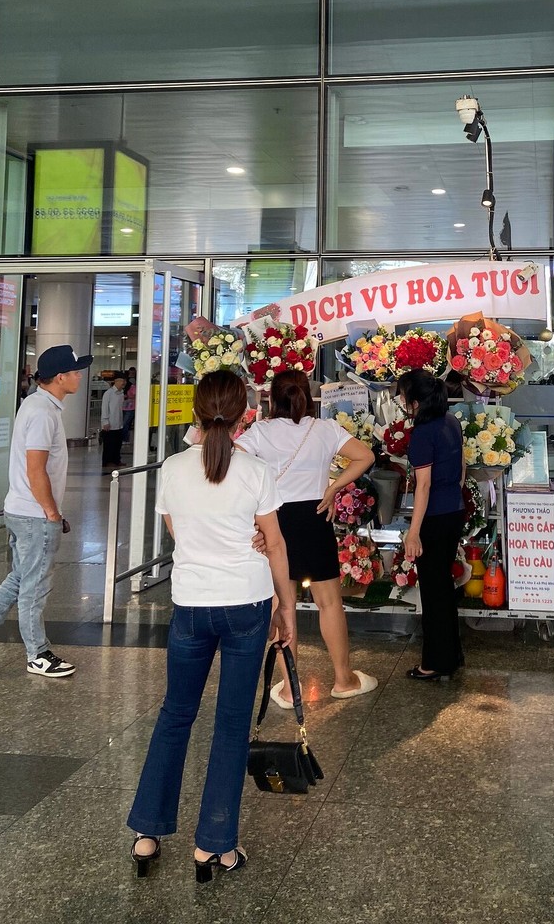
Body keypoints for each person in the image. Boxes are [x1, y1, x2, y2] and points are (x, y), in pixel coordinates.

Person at [127, 369, 295, 882]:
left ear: (196, 412)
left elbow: (178, 531)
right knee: (230, 724)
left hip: (191, 605)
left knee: (175, 714)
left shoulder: (173, 468)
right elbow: (275, 543)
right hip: (246, 604)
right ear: (245, 414)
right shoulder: (256, 470)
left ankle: (147, 833)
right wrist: (286, 608)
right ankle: (213, 847)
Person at [239, 370, 377, 704]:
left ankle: (290, 689)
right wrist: (333, 488)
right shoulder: (325, 429)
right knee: (329, 602)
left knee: (282, 605)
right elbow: (366, 456)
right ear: (306, 396)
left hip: (275, 522)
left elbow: (233, 464)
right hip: (315, 518)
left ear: (273, 397)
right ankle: (344, 680)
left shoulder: (260, 431)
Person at [0, 344, 93, 679]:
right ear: (60, 377)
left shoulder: (37, 404)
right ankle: (38, 654)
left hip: (23, 510)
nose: (79, 376)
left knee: (20, 579)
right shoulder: (43, 412)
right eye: (75, 372)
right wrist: (51, 512)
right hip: (34, 515)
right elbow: (36, 469)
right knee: (35, 586)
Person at [399, 369, 466, 681]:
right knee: (443, 588)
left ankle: (435, 662)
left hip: (434, 518)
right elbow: (462, 468)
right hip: (453, 510)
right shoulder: (451, 421)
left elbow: (423, 486)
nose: (401, 401)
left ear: (415, 402)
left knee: (433, 591)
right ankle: (451, 655)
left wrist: (413, 532)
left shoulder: (423, 432)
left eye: (403, 396)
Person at [100, 372, 126, 469]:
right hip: (109, 424)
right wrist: (105, 421)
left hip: (118, 423)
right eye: (122, 381)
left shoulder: (121, 393)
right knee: (109, 444)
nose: (123, 383)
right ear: (116, 381)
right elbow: (105, 408)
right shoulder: (109, 393)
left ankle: (116, 460)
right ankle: (107, 461)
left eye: (124, 381)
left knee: (117, 443)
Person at [121, 367, 137, 444]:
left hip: (131, 408)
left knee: (125, 423)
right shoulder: (124, 388)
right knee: (125, 423)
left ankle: (125, 439)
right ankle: (125, 438)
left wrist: (128, 397)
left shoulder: (133, 387)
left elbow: (135, 395)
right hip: (125, 407)